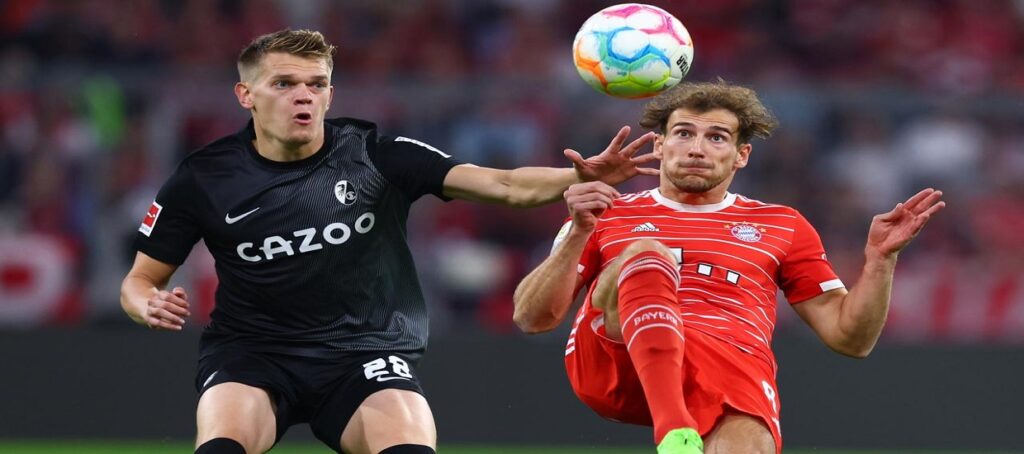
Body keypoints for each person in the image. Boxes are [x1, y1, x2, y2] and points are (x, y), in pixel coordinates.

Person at [120, 29, 658, 454]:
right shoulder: (204, 177)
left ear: (330, 94)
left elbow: (505, 184)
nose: (303, 95)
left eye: (316, 84)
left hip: (364, 351)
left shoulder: (377, 153)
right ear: (246, 95)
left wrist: (581, 176)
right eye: (283, 83)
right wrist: (147, 303)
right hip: (253, 353)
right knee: (221, 446)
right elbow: (140, 280)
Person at [512, 80, 945, 454]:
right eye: (683, 133)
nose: (697, 148)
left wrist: (880, 261)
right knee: (647, 253)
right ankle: (673, 431)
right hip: (616, 360)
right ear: (660, 146)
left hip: (729, 361)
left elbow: (850, 339)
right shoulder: (607, 211)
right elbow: (532, 318)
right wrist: (578, 234)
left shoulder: (783, 225)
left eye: (717, 137)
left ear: (742, 155)